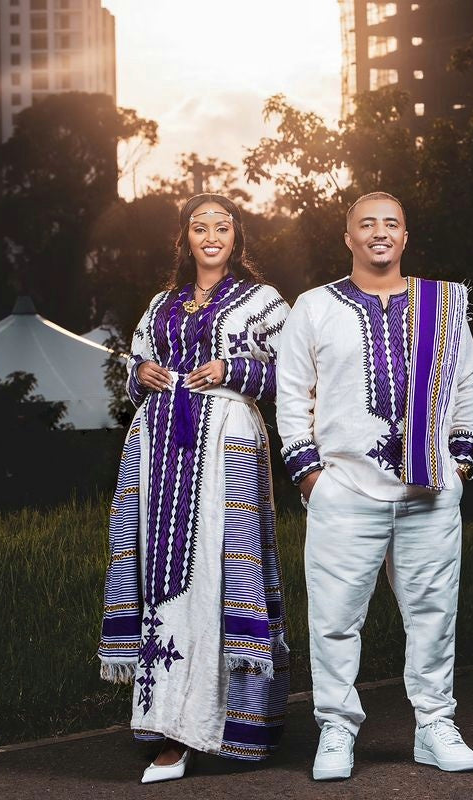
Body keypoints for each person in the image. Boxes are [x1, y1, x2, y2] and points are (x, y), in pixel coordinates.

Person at [276, 191, 473, 780]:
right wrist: (310, 475)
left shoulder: (441, 303)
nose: (379, 232)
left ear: (406, 236)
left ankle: (434, 724)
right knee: (335, 618)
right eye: (367, 224)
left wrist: (459, 463)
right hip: (343, 490)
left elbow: (465, 385)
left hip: (431, 489)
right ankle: (336, 729)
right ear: (349, 238)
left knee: (433, 614)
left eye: (391, 223)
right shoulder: (315, 307)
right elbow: (292, 394)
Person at [98, 193, 290, 783]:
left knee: (221, 569)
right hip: (159, 447)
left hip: (226, 441)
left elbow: (296, 369)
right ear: (184, 237)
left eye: (222, 226)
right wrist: (143, 375)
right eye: (199, 226)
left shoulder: (263, 301)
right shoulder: (161, 304)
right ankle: (168, 732)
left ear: (238, 237)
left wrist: (232, 369)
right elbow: (131, 365)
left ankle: (237, 725)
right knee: (163, 572)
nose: (211, 235)